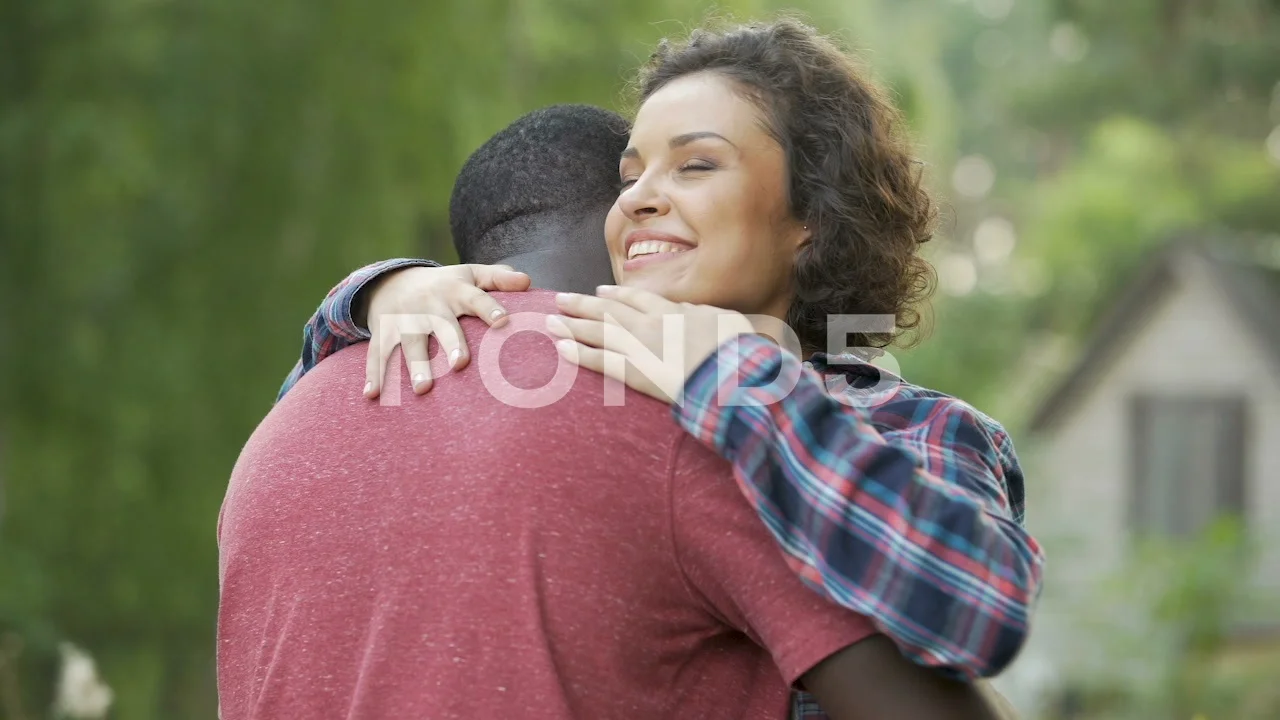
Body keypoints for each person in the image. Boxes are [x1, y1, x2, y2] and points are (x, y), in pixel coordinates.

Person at [278, 17, 1044, 688]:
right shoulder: (575, 375)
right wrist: (377, 293)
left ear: (811, 210)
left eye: (695, 165)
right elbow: (312, 440)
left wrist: (736, 383)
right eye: (630, 174)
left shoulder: (916, 427)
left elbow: (979, 609)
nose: (638, 197)